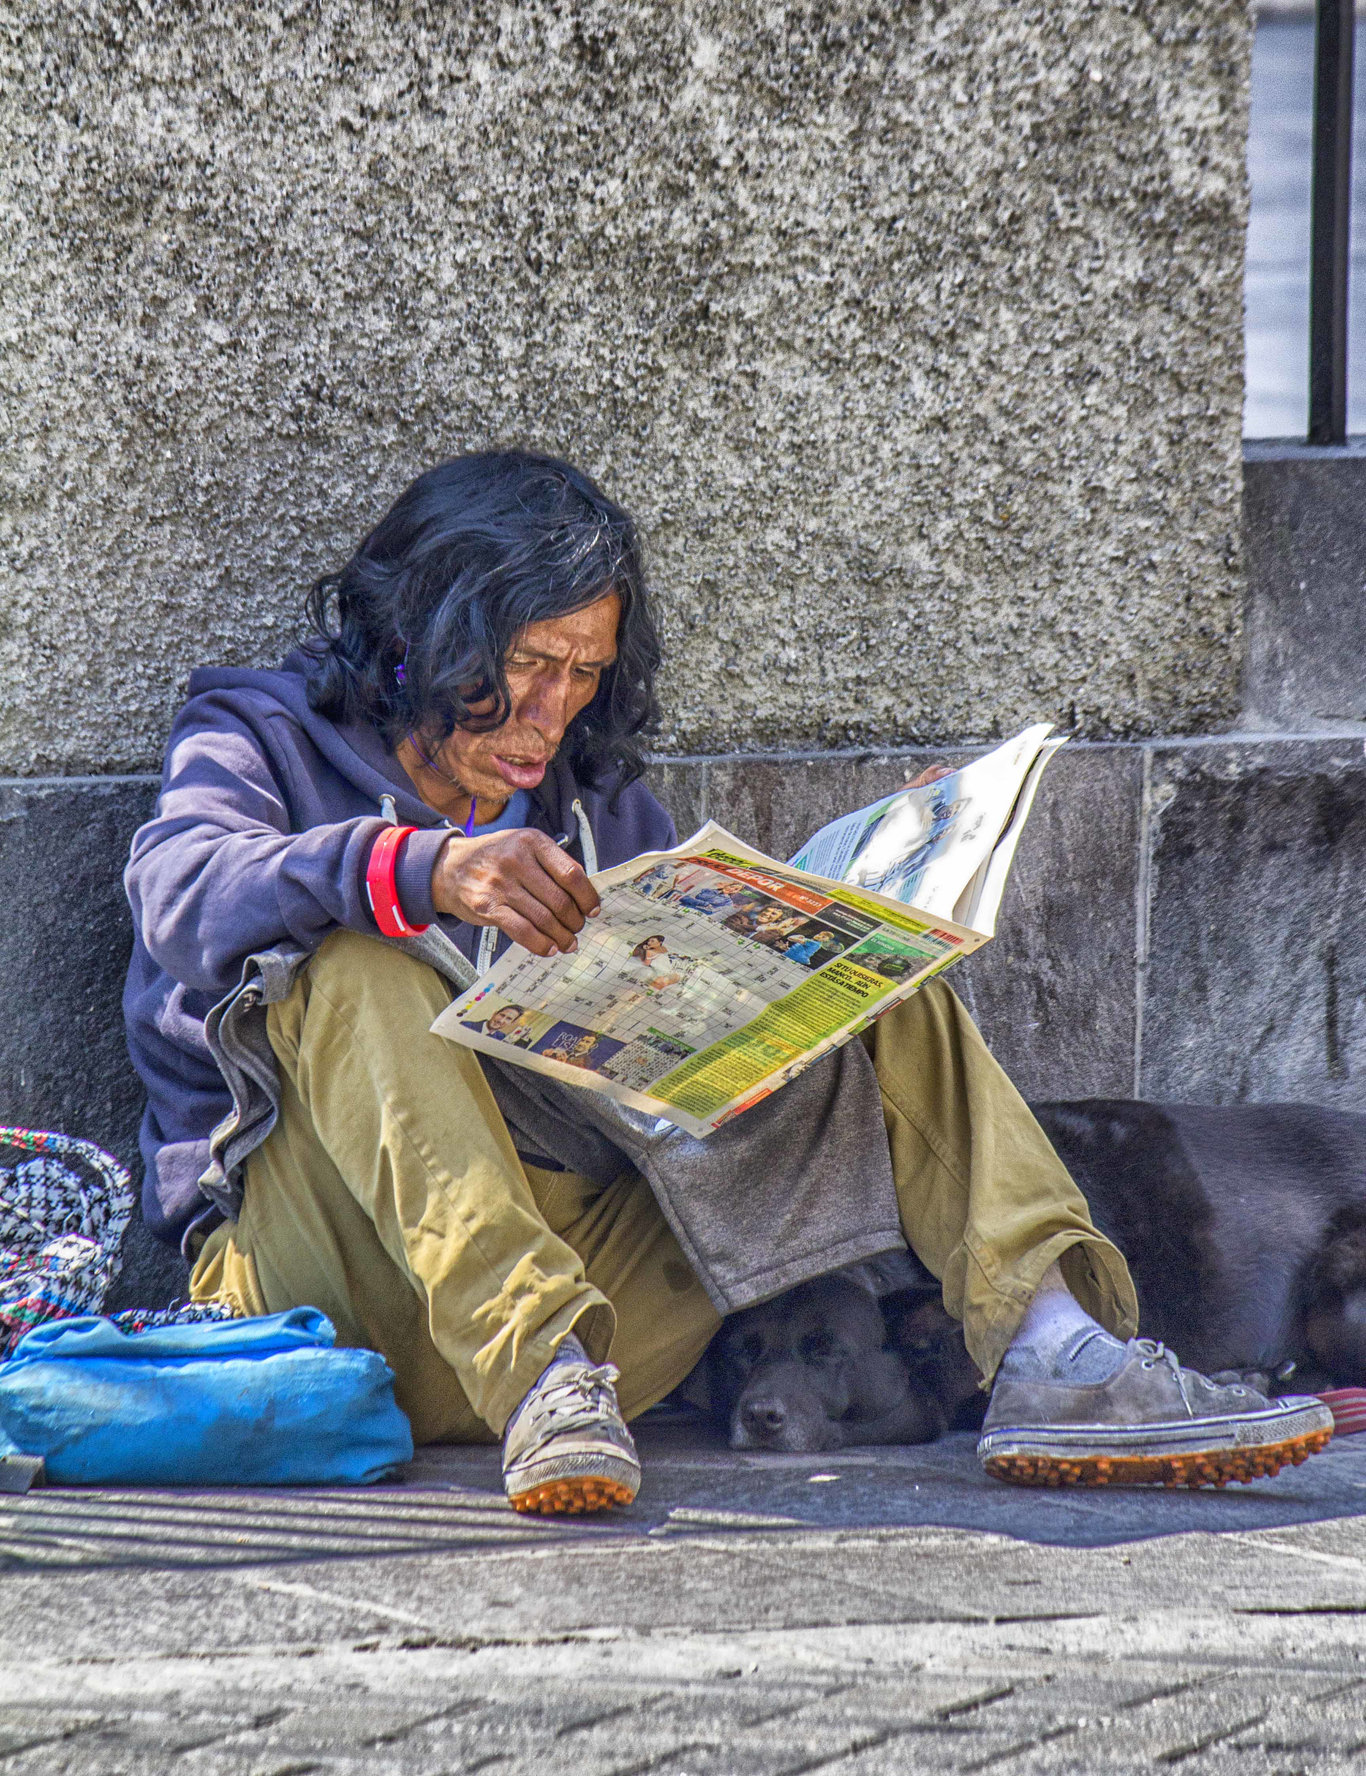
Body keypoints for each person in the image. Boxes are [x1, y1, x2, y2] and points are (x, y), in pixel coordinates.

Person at [124, 451, 1332, 1516]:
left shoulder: (589, 802)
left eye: (584, 674)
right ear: (415, 641)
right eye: (524, 667)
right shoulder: (259, 727)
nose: (551, 714)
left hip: (596, 1331)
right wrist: (422, 866)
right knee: (357, 955)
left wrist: (837, 935)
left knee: (876, 981)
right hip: (323, 1301)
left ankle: (1055, 1354)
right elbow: (178, 886)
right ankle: (535, 1366)